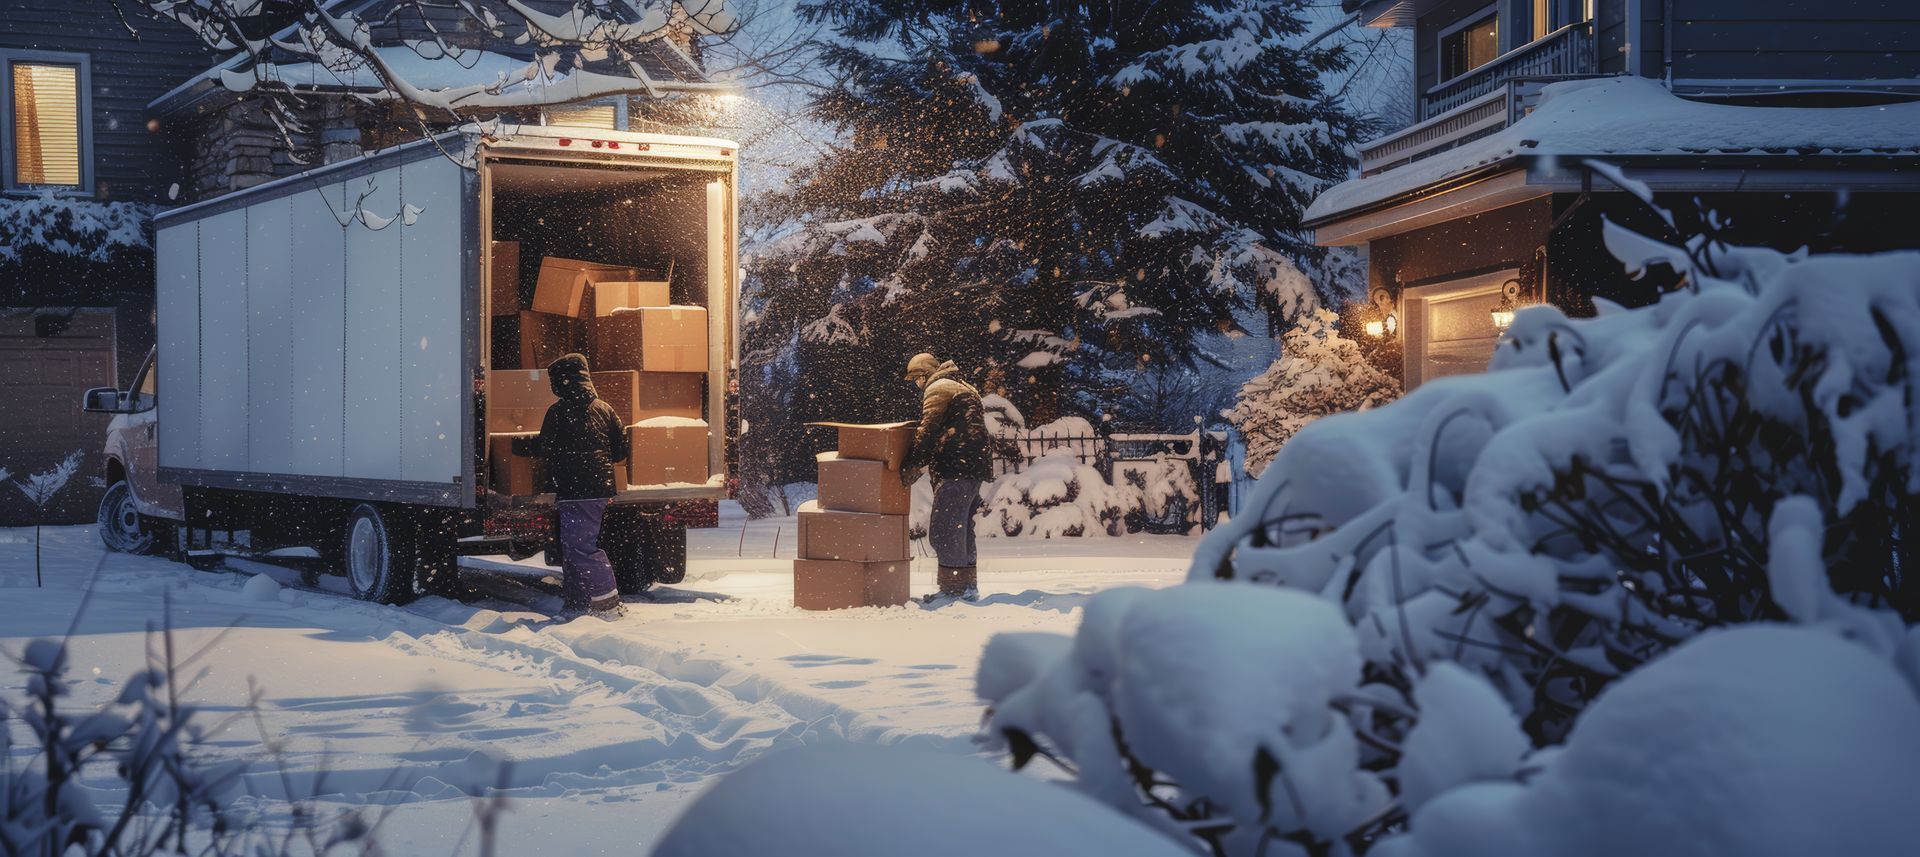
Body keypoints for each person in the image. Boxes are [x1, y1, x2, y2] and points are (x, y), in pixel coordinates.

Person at [512, 353, 630, 619]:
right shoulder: (604, 408)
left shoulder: (558, 412)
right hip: (598, 488)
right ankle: (577, 604)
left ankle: (608, 605)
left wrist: (515, 445)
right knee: (572, 547)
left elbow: (544, 447)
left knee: (580, 548)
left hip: (576, 489)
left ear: (562, 382)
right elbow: (620, 448)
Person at [900, 353, 992, 601]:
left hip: (955, 466)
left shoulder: (939, 388)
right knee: (962, 529)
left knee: (945, 530)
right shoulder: (963, 386)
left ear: (925, 374)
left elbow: (928, 430)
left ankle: (953, 591)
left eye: (917, 378)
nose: (917, 384)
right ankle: (967, 586)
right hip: (973, 467)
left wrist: (912, 463)